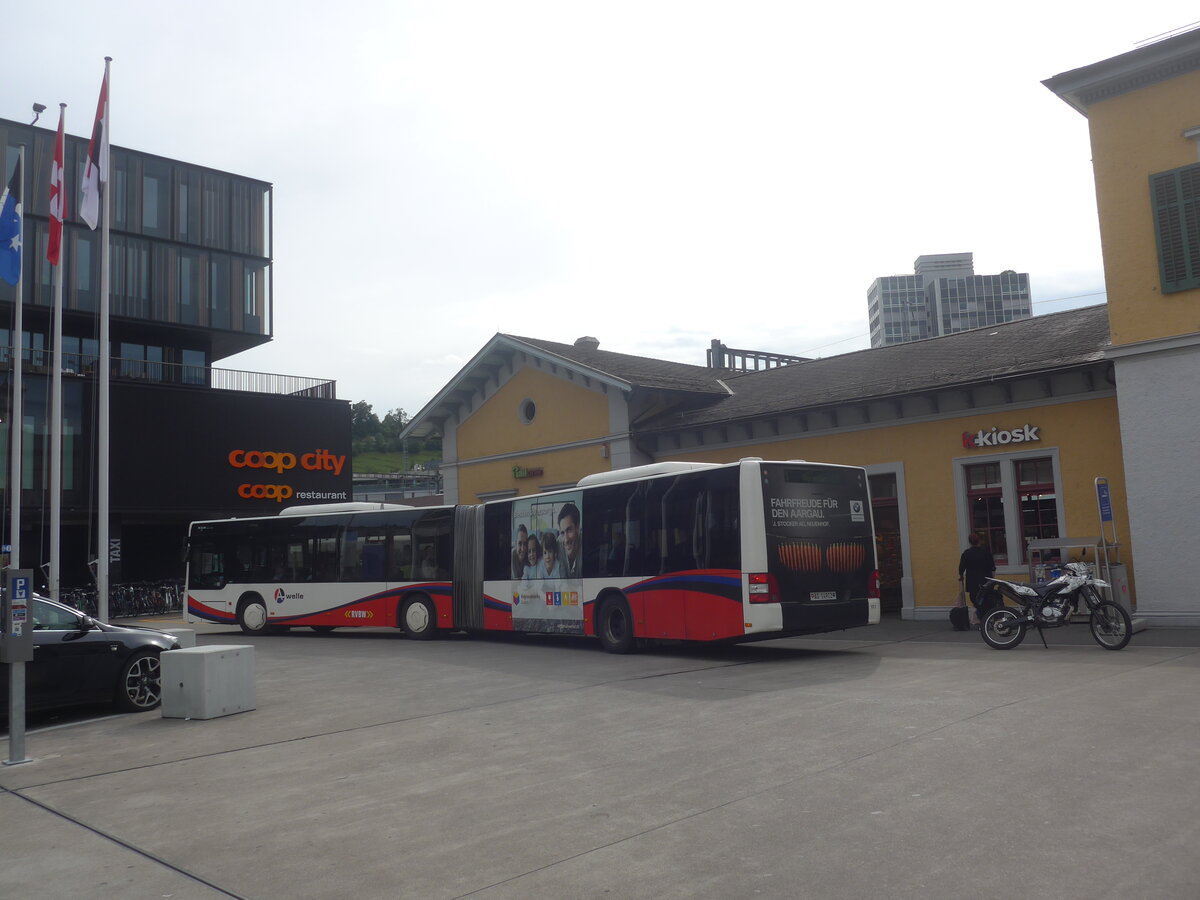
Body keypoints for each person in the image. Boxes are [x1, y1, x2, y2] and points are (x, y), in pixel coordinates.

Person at [958, 533, 996, 628]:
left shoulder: (966, 554)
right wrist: (992, 579)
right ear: (979, 541)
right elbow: (992, 567)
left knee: (975, 600)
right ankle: (987, 618)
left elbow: (961, 568)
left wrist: (961, 576)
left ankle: (981, 619)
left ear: (970, 542)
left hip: (972, 582)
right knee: (987, 600)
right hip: (985, 581)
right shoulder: (986, 552)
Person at [557, 503, 581, 578]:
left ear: (577, 527)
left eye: (569, 530)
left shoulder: (586, 544)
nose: (566, 539)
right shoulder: (558, 544)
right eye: (562, 533)